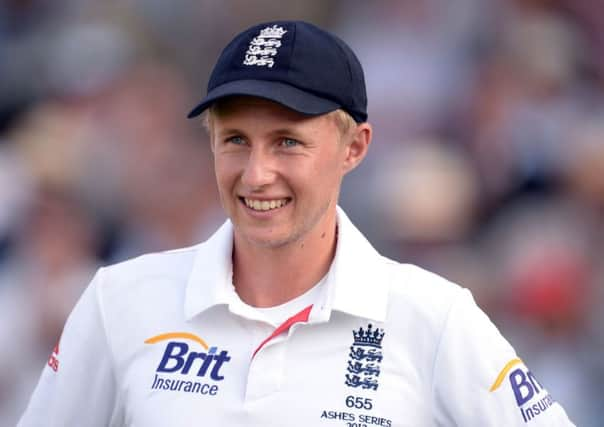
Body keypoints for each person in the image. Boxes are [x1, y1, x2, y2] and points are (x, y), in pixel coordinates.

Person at [18, 20, 575, 426]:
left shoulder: (434, 317)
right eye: (236, 140)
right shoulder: (119, 300)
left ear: (354, 147)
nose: (257, 174)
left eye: (287, 142)